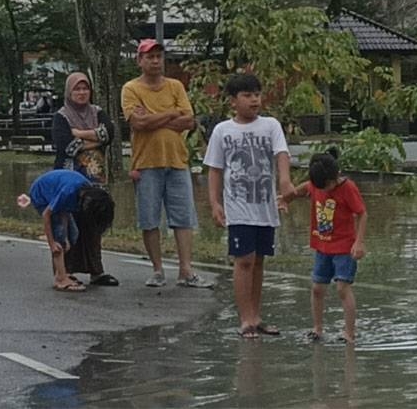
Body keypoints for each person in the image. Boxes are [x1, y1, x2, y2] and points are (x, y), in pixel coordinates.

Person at [204, 73, 295, 338]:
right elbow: (215, 169)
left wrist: (286, 182)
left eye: (257, 94)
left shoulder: (271, 125)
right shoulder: (223, 130)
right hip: (238, 206)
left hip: (264, 207)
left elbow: (281, 154)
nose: (254, 100)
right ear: (233, 100)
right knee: (243, 260)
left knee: (258, 261)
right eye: (247, 95)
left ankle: (256, 316)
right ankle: (245, 319)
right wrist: (214, 202)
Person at [122, 39, 213, 289]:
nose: (155, 61)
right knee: (149, 218)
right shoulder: (131, 89)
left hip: (177, 160)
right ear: (139, 60)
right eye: (149, 57)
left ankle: (186, 270)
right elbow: (137, 123)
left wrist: (155, 118)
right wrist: (171, 114)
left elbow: (189, 120)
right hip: (146, 162)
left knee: (183, 217)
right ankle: (158, 269)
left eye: (159, 56)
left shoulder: (175, 86)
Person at [282, 151, 367, 343]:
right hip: (322, 246)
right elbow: (304, 189)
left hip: (344, 247)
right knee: (317, 288)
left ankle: (349, 333)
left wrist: (359, 241)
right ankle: (317, 328)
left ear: (334, 177)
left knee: (342, 288)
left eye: (326, 186)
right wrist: (288, 198)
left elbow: (362, 213)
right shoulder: (316, 183)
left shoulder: (348, 188)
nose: (324, 190)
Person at [51, 72, 118, 286]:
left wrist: (79, 133)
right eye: (77, 89)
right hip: (69, 177)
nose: (81, 93)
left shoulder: (98, 111)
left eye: (85, 88)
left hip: (95, 179)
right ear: (69, 92)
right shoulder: (61, 116)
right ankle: (65, 271)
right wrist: (95, 139)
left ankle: (96, 271)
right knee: (68, 223)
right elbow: (67, 146)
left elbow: (109, 133)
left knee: (94, 222)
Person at [24, 169, 115, 292]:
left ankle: (62, 273)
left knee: (73, 235)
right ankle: (60, 279)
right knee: (59, 238)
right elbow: (47, 215)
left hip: (57, 197)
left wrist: (67, 237)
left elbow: (65, 211)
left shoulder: (86, 191)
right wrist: (52, 243)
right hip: (42, 196)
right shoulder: (69, 191)